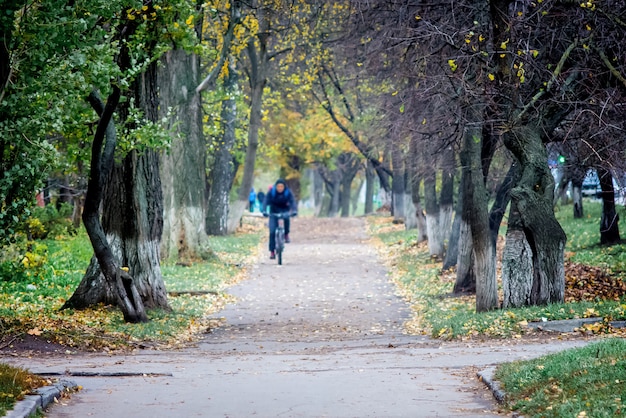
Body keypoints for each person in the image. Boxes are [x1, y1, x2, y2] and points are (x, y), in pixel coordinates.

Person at [262, 179, 297, 259]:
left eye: (282, 186)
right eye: (278, 186)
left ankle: (286, 234)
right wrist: (264, 210)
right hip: (273, 211)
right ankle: (272, 251)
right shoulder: (272, 192)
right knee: (272, 231)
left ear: (284, 187)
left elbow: (292, 202)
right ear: (276, 187)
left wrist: (294, 210)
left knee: (287, 218)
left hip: (285, 210)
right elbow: (265, 201)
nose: (280, 188)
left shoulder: (287, 192)